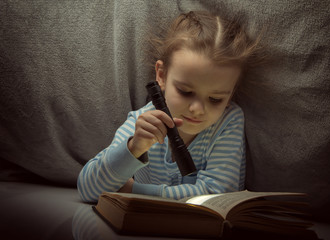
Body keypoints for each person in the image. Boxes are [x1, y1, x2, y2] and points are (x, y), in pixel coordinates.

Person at [77, 11, 261, 202]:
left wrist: (135, 191)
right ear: (162, 76)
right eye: (185, 91)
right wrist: (133, 148)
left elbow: (218, 194)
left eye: (215, 99)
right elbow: (87, 190)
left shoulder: (228, 122)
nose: (197, 109)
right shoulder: (143, 123)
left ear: (231, 93)